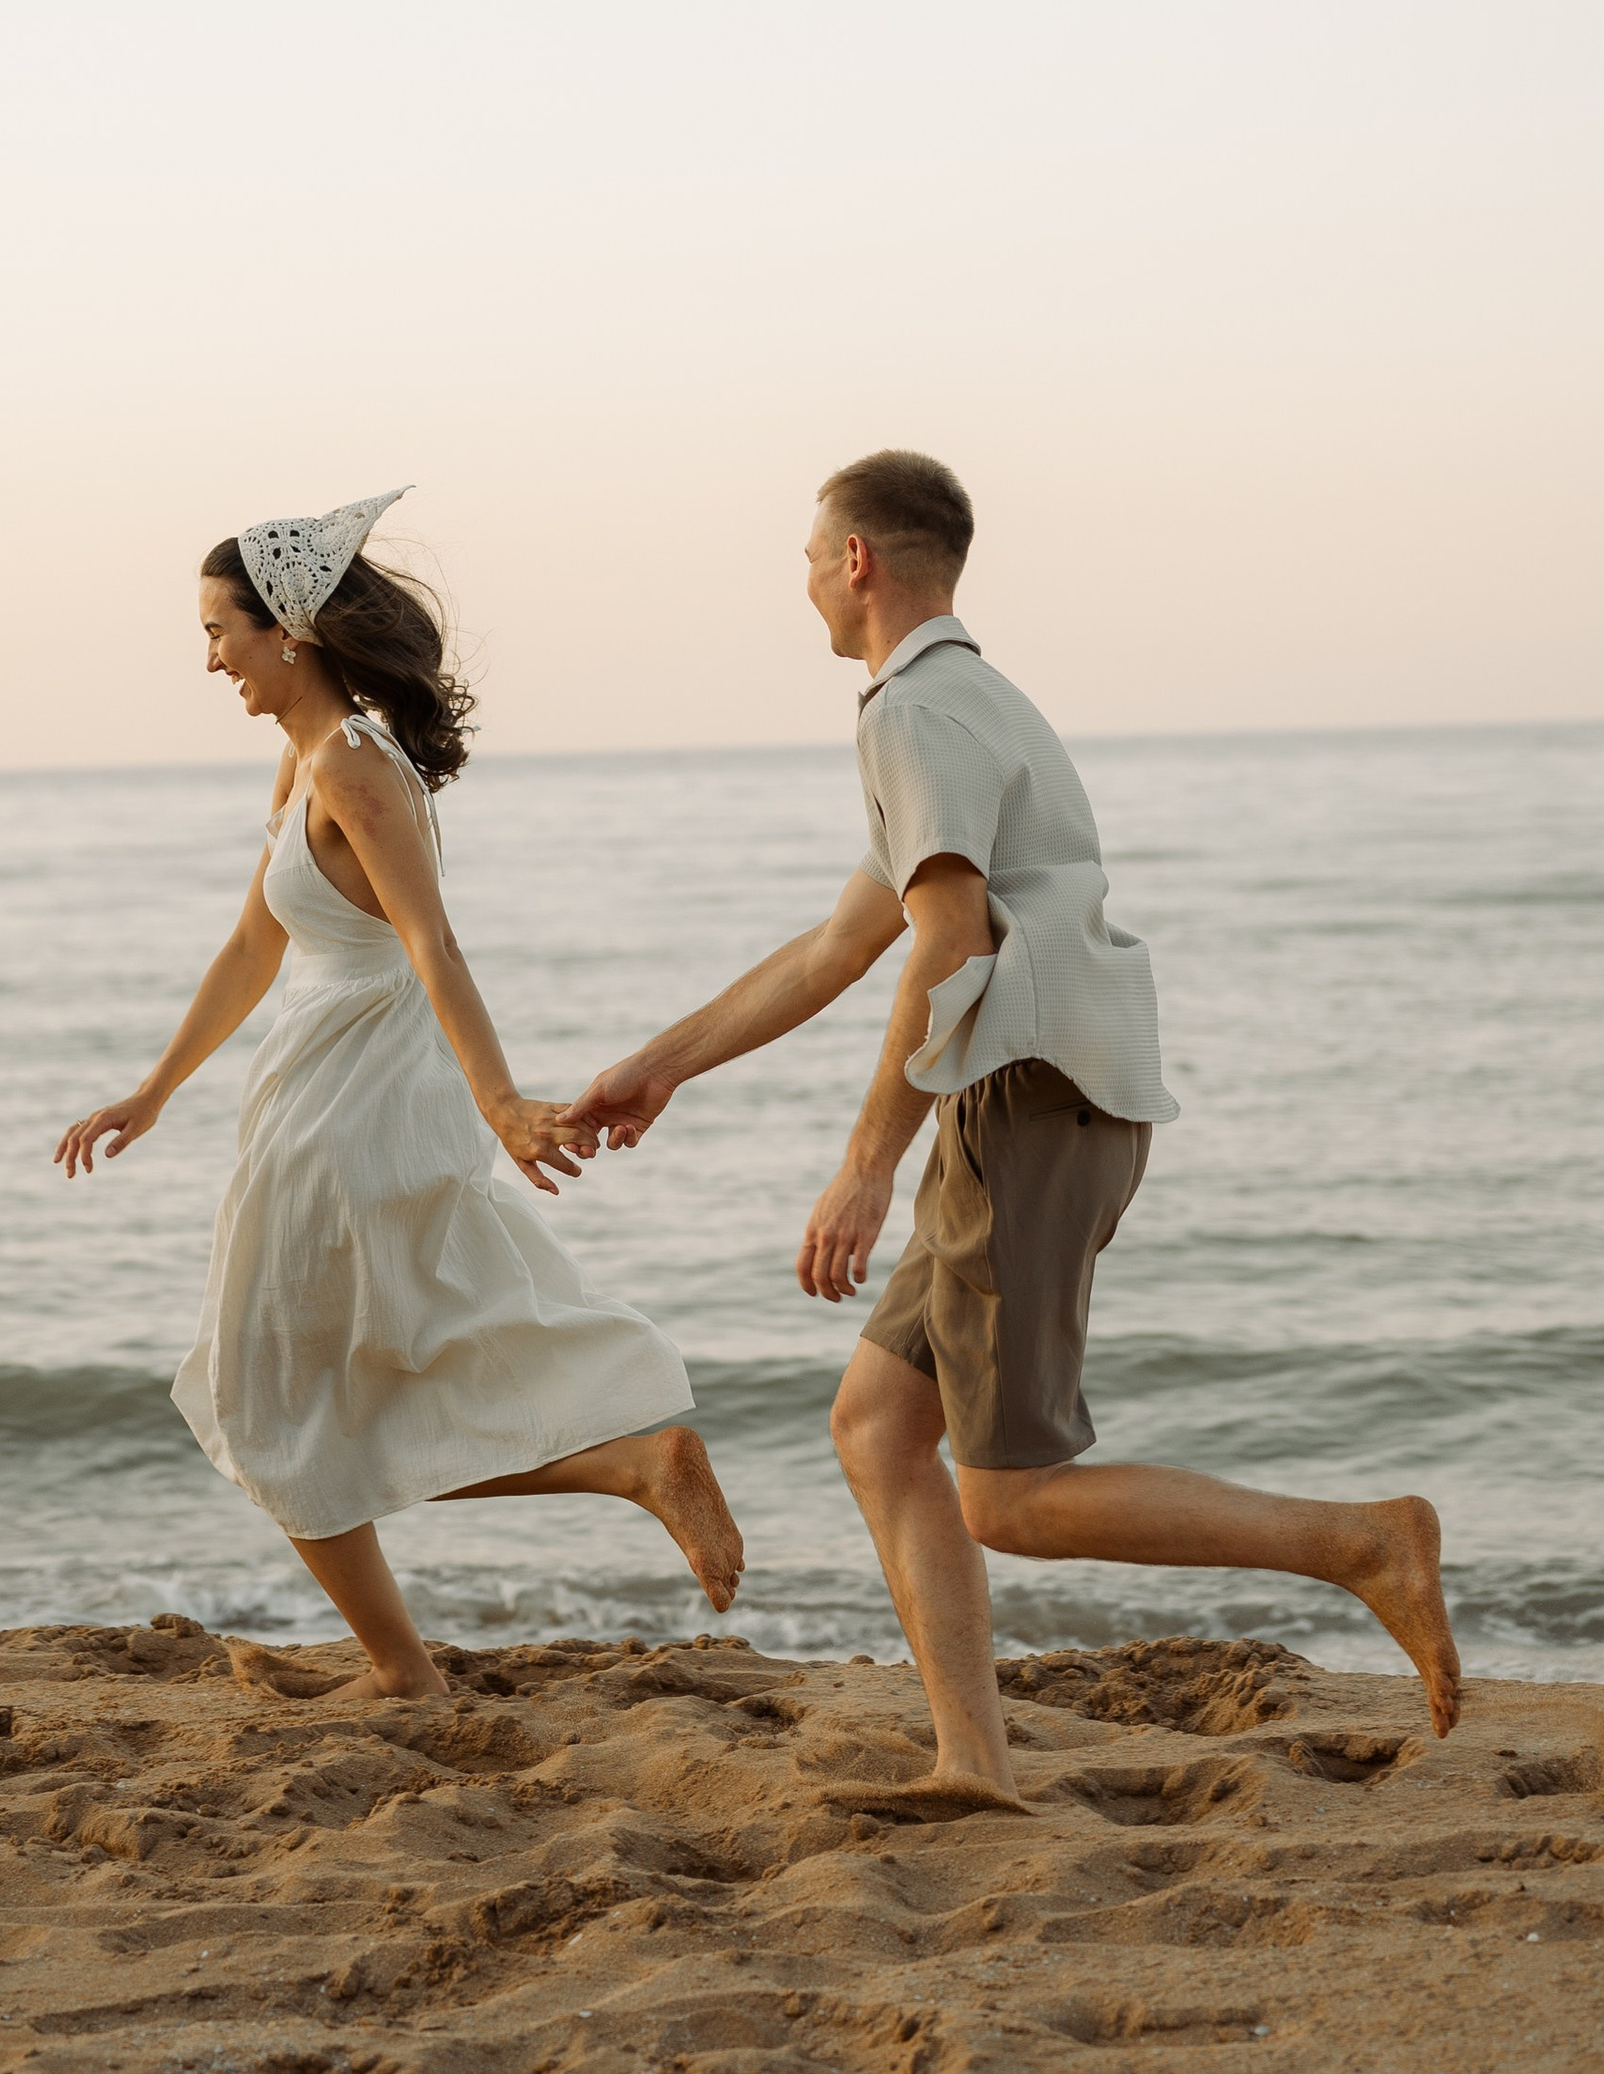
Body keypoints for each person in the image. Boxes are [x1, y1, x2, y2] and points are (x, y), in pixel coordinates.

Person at [569, 448, 1459, 1804]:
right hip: (1042, 1095)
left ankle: (1362, 1544)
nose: (804, 580)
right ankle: (971, 1760)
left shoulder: (915, 718)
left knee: (1012, 1498)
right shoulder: (970, 703)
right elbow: (836, 948)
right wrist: (661, 1067)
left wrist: (864, 1168)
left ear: (859, 561)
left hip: (1029, 1102)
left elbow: (949, 942)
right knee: (877, 1427)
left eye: (813, 555)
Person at [56, 488, 741, 1703]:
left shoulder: (358, 766)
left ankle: (606, 1491)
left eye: (220, 628)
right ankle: (430, 1643)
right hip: (320, 1087)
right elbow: (252, 945)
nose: (207, 655)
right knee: (313, 1394)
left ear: (290, 632)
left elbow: (434, 945)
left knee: (268, 1399)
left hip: (352, 1102)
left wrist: (499, 1103)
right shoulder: (310, 756)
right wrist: (153, 1090)